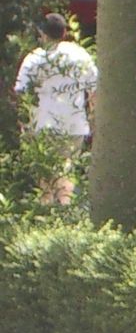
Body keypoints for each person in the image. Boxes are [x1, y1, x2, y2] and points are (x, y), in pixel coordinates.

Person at [13, 12, 98, 204]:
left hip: (42, 124)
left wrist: (24, 125)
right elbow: (95, 90)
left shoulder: (34, 58)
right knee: (66, 169)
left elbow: (21, 93)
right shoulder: (80, 55)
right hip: (74, 124)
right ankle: (65, 207)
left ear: (42, 33)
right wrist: (93, 118)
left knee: (45, 174)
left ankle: (47, 210)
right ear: (65, 32)